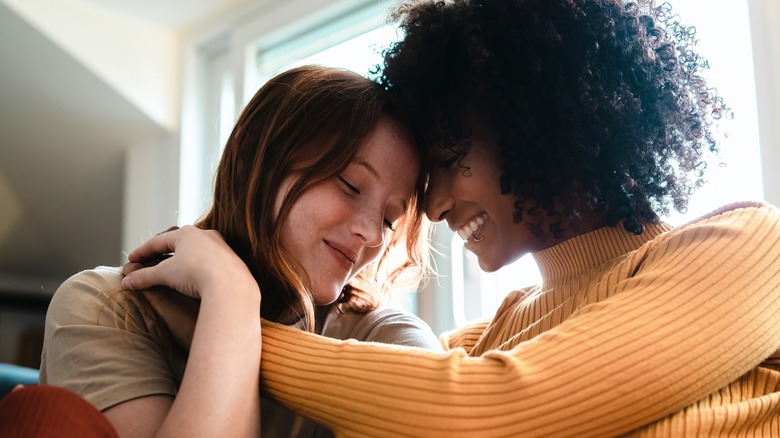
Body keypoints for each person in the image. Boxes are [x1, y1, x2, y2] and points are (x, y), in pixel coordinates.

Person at [122, 0, 780, 436]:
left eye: (452, 160)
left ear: (542, 130)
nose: (432, 208)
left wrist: (231, 307)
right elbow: (422, 384)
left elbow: (489, 409)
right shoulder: (493, 331)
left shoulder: (745, 246)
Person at [38, 65, 441, 438]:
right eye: (349, 185)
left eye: (390, 220)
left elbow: (443, 408)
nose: (372, 235)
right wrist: (232, 297)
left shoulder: (375, 334)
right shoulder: (106, 307)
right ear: (254, 159)